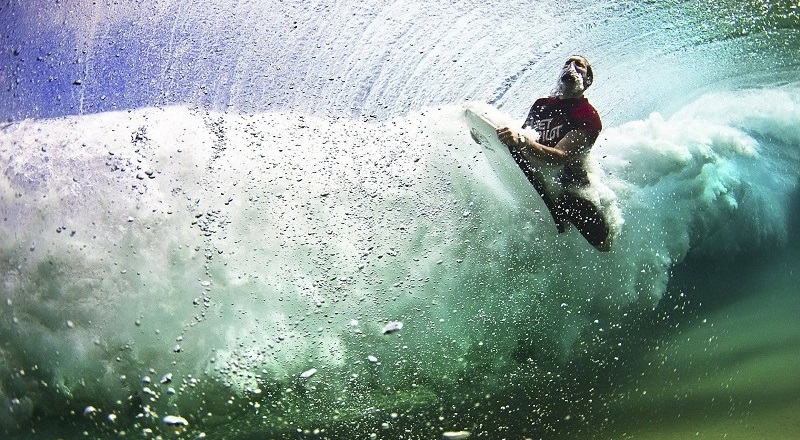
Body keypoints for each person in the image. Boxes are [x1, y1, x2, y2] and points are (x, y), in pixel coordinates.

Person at [496, 55, 612, 251]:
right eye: (567, 64)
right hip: (539, 175)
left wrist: (521, 140)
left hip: (570, 188)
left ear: (588, 80)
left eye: (579, 65)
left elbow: (560, 156)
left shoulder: (587, 115)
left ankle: (605, 240)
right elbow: (522, 137)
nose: (571, 67)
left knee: (575, 207)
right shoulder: (541, 105)